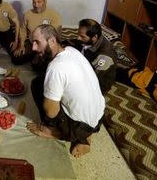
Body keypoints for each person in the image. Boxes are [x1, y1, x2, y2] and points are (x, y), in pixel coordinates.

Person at [27, 24, 105, 158]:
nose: (33, 47)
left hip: (78, 127)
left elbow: (51, 112)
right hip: (99, 118)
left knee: (36, 86)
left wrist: (51, 100)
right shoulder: (71, 50)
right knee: (43, 81)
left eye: (37, 42)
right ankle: (85, 135)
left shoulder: (56, 67)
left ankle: (55, 132)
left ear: (51, 40)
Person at [12, 0, 62, 67]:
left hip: (46, 46)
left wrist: (43, 51)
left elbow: (55, 37)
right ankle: (34, 57)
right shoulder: (27, 14)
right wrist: (21, 45)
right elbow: (23, 31)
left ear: (45, 1)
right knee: (16, 58)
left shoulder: (54, 15)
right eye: (34, 2)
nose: (36, 5)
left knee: (38, 66)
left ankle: (37, 58)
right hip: (31, 43)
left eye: (39, 2)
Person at [77, 19, 117, 93]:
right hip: (85, 70)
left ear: (94, 37)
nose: (78, 38)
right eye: (78, 34)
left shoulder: (105, 56)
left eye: (82, 36)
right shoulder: (92, 41)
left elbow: (93, 79)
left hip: (95, 87)